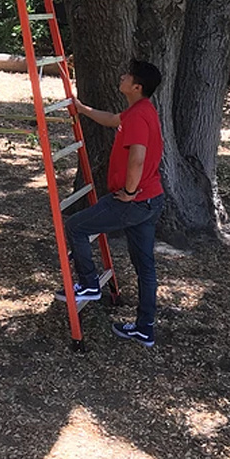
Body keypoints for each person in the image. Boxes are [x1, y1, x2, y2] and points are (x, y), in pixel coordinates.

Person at [56, 58, 165, 347]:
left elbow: (137, 158)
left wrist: (129, 192)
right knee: (146, 268)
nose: (122, 77)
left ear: (137, 86)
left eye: (127, 76)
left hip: (135, 201)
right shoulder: (139, 111)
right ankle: (145, 329)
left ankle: (89, 285)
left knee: (76, 227)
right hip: (151, 199)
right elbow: (111, 119)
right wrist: (81, 109)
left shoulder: (139, 117)